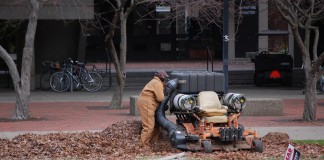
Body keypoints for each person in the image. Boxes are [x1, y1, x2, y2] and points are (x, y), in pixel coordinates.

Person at [137, 70, 169, 148]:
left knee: (155, 125)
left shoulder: (155, 82)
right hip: (147, 104)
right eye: (165, 77)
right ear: (161, 77)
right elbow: (160, 98)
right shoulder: (157, 83)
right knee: (148, 126)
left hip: (147, 103)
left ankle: (153, 143)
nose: (165, 79)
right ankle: (143, 146)